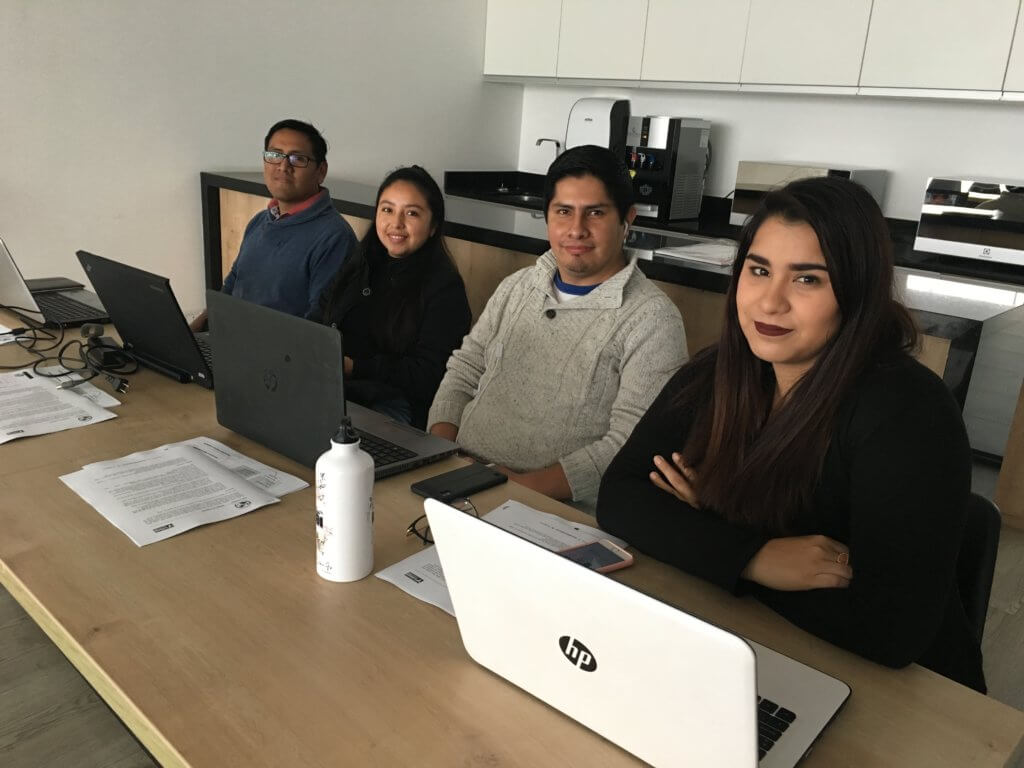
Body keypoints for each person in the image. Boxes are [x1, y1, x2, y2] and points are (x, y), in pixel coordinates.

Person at [596, 176, 984, 692]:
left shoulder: (908, 412)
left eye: (807, 280)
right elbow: (620, 497)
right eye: (759, 270)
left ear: (856, 292)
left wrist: (705, 533)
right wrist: (755, 558)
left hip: (916, 697)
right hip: (759, 644)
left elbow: (889, 631)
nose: (770, 302)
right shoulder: (719, 372)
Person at [427, 145, 688, 508]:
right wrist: (441, 457)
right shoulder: (518, 287)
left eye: (595, 213)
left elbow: (628, 444)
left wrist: (512, 487)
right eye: (564, 212)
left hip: (552, 509)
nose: (576, 230)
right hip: (459, 481)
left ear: (627, 219)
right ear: (547, 216)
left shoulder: (653, 320)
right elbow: (463, 371)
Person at [313, 166, 470, 428]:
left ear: (433, 225)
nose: (396, 223)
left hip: (395, 404)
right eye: (387, 209)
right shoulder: (361, 260)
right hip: (339, 389)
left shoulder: (445, 288)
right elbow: (321, 313)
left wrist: (356, 367)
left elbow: (430, 375)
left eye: (412, 213)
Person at [192, 119, 356, 329]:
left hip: (277, 349)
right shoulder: (260, 221)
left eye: (298, 158)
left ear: (321, 171)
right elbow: (230, 288)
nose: (283, 166)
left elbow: (317, 328)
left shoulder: (335, 238)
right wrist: (191, 334)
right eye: (275, 155)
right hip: (233, 339)